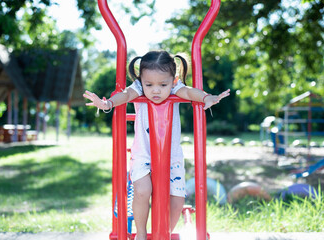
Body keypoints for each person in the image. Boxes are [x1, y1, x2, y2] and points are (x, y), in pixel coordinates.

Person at [83, 50, 230, 240]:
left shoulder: (176, 89)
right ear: (141, 81)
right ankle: (142, 234)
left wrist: (206, 97)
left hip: (171, 157)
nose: (156, 90)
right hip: (143, 155)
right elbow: (125, 95)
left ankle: (163, 234)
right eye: (149, 84)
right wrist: (108, 104)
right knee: (143, 191)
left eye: (163, 84)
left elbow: (189, 91)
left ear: (173, 80)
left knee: (176, 201)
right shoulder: (138, 89)